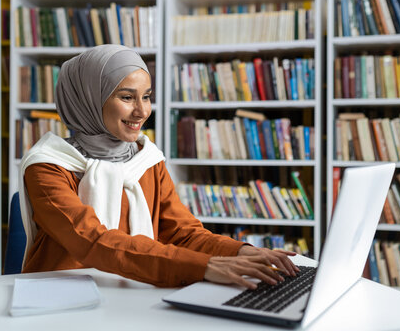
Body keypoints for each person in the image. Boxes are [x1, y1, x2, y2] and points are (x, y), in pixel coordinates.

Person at [18, 44, 299, 289]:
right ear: (88, 99)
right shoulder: (48, 165)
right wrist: (204, 267)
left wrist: (238, 252)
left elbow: (181, 232)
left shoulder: (147, 158)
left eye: (147, 96)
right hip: (59, 299)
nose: (142, 111)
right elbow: (92, 241)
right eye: (127, 97)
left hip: (130, 288)